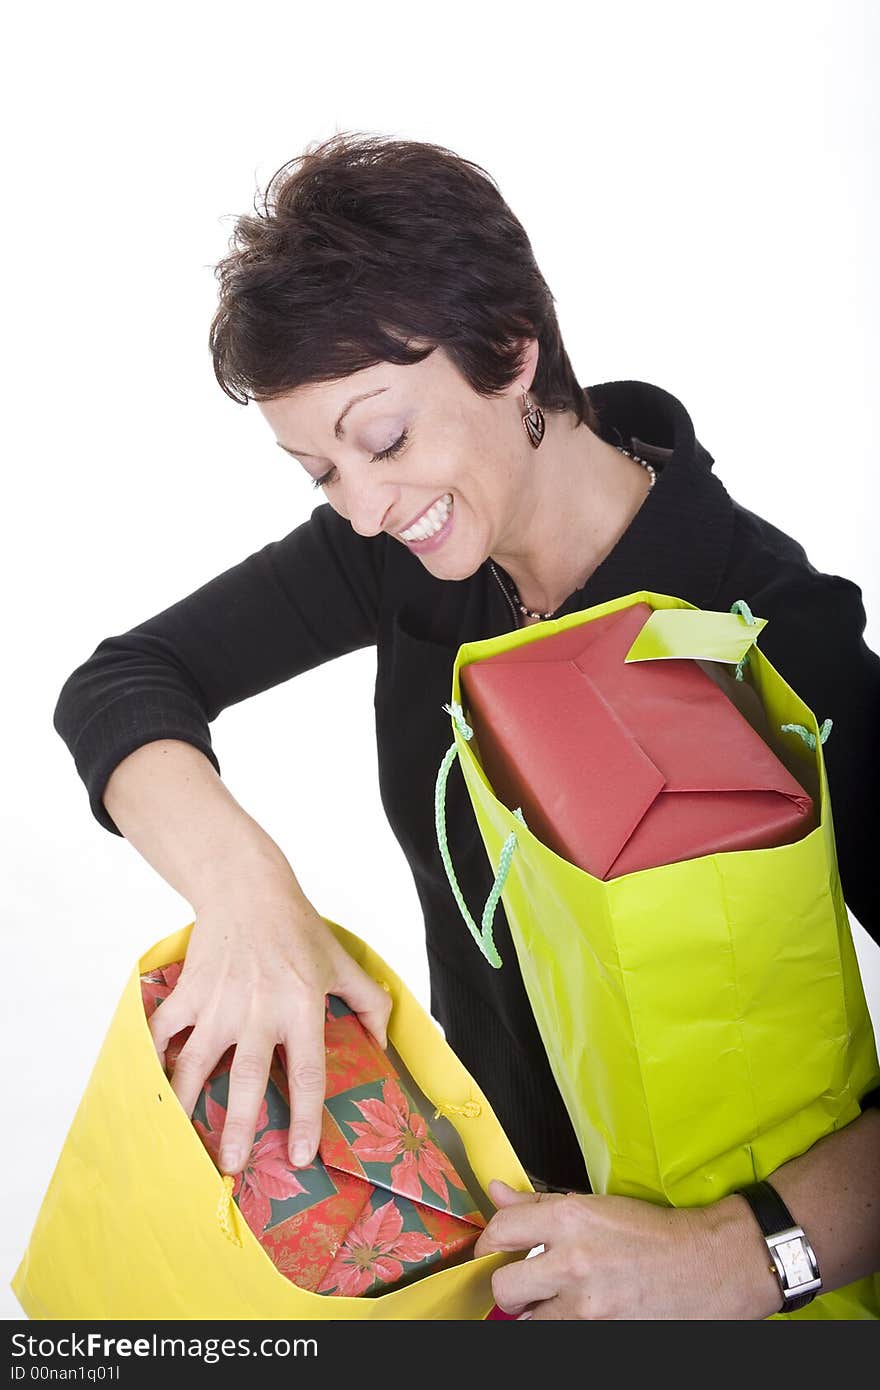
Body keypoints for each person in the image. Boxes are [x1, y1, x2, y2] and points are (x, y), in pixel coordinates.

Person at [53, 131, 880, 1320]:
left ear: (509, 352)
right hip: (494, 1260)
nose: (367, 507)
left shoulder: (765, 627)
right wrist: (252, 903)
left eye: (381, 439)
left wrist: (736, 1256)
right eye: (317, 473)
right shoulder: (415, 558)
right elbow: (125, 683)